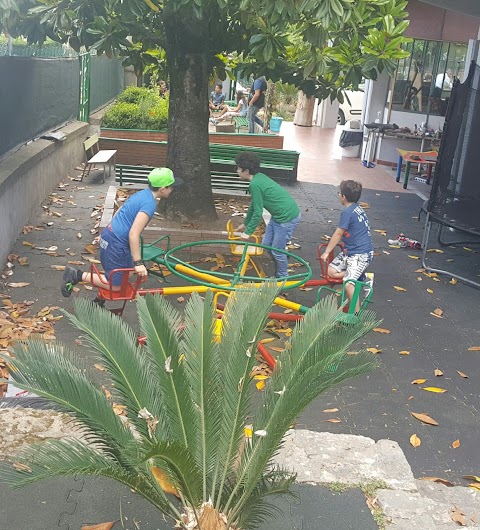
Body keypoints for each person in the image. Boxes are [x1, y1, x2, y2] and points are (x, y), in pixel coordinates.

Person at [61, 167, 183, 297]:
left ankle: (102, 292)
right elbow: (133, 234)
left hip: (113, 236)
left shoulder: (142, 194)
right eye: (171, 186)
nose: (173, 189)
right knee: (116, 286)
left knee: (128, 273)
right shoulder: (149, 204)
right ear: (162, 189)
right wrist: (138, 263)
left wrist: (105, 232)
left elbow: (120, 211)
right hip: (116, 243)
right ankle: (78, 275)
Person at [235, 152, 301, 278]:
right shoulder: (258, 178)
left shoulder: (255, 184)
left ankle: (282, 277)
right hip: (278, 217)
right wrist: (245, 224)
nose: (237, 170)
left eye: (238, 168)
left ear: (246, 171)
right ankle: (279, 265)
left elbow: (258, 212)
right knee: (266, 245)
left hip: (287, 218)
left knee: (276, 251)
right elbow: (254, 205)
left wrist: (248, 232)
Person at [321, 180, 374, 312]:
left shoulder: (348, 213)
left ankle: (355, 315)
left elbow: (338, 233)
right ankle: (363, 276)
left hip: (360, 254)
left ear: (343, 197)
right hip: (350, 251)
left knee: (349, 285)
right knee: (331, 272)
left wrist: (327, 252)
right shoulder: (357, 208)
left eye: (339, 193)